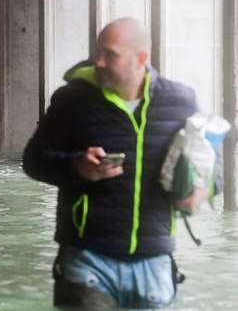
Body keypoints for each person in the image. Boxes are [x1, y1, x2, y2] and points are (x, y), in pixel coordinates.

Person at [22, 18, 199, 309]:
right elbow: (33, 161)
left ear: (141, 58)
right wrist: (78, 167)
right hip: (87, 259)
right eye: (98, 52)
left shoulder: (180, 101)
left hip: (154, 264)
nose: (99, 62)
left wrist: (197, 194)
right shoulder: (71, 100)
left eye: (111, 54)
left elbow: (210, 170)